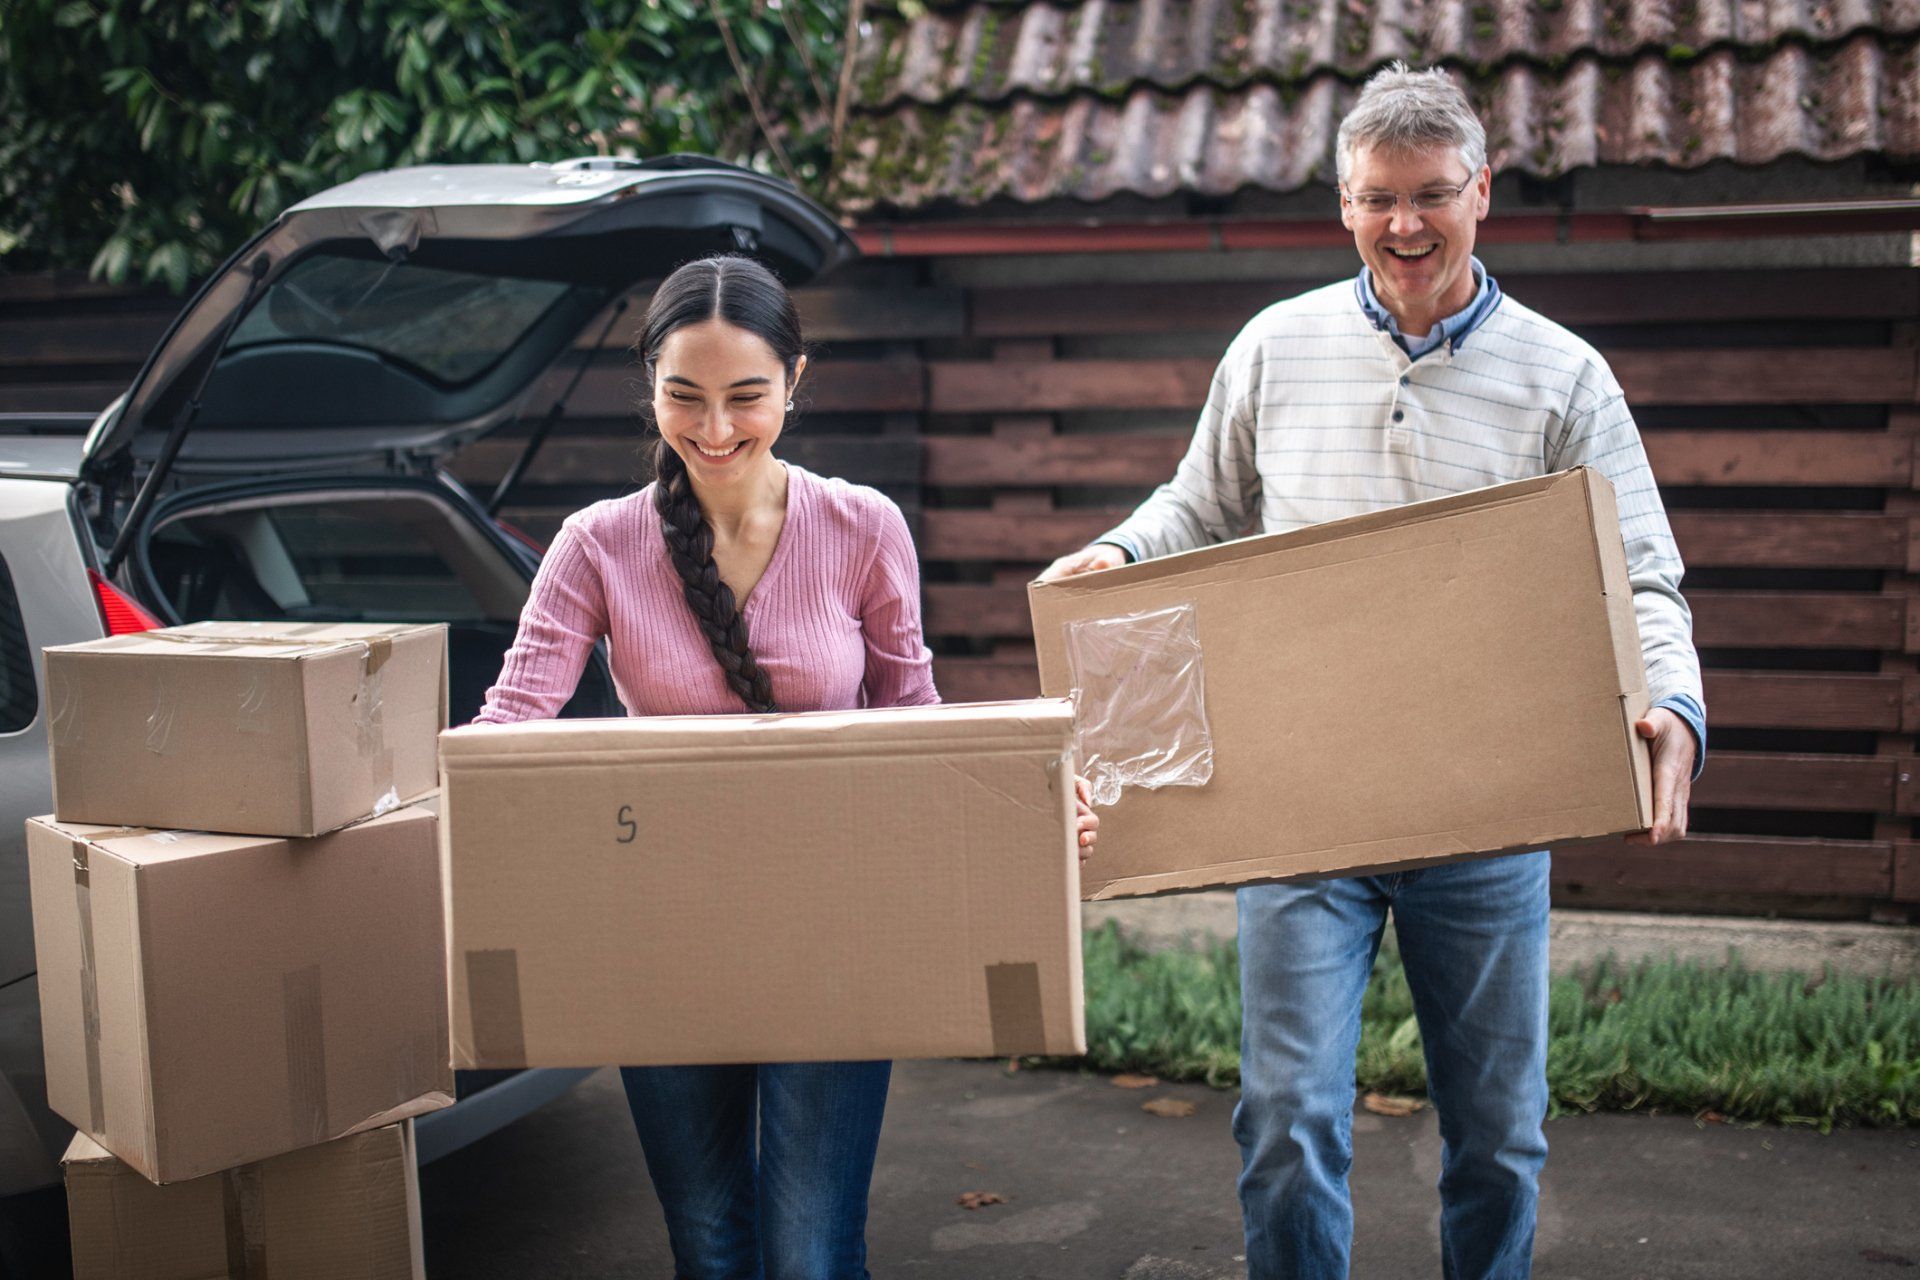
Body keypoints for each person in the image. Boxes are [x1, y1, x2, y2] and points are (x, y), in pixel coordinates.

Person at [1039, 64, 1706, 1280]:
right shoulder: (1275, 345)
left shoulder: (1563, 375)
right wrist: (1123, 551)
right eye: (1378, 197)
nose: (1405, 224)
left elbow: (1645, 572)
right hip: (1303, 806)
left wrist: (1672, 703)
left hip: (1489, 806)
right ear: (1344, 201)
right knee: (1287, 1122)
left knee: (1498, 1135)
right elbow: (1200, 504)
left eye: (1432, 194)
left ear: (1482, 190)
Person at [474, 254, 1097, 1280]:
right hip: (660, 933)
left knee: (810, 1251)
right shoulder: (596, 544)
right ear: (650, 384)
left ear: (795, 381)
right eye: (685, 396)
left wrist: (1023, 800)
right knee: (709, 1244)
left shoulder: (863, 526)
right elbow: (505, 735)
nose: (715, 429)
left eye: (746, 396)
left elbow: (914, 722)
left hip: (836, 924)